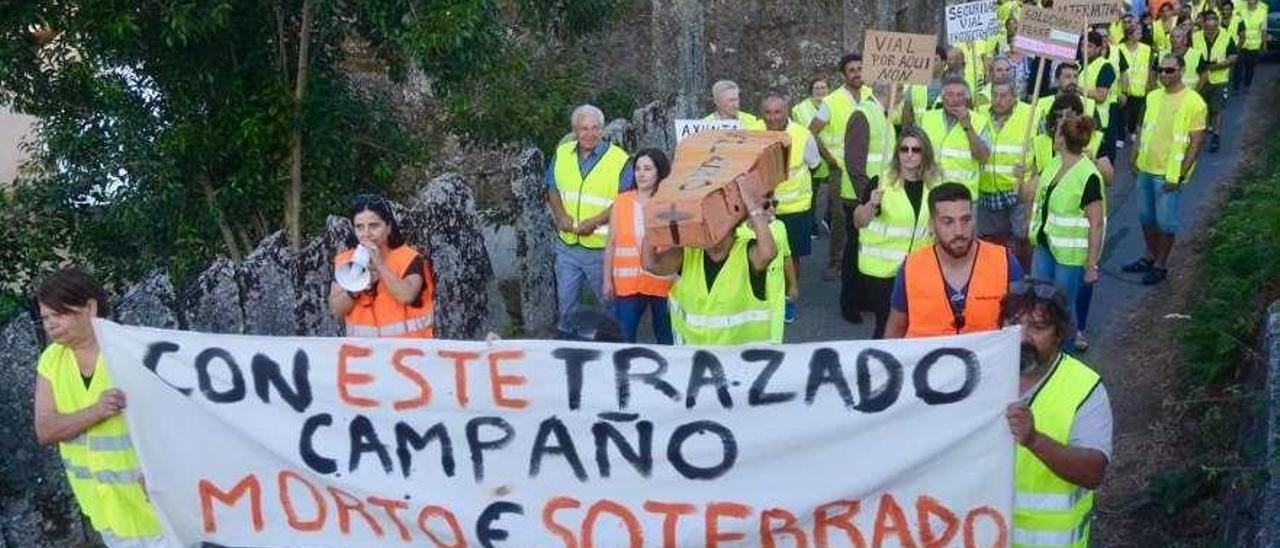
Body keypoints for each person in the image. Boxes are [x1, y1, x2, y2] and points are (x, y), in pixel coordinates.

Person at [33, 268, 166, 548]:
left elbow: (171, 422)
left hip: (154, 504)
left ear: (90, 308)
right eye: (45, 317)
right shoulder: (51, 360)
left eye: (59, 314)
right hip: (104, 507)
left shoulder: (132, 352)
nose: (51, 325)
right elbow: (45, 430)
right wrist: (96, 411)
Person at [1003, 279, 1112, 548]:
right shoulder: (976, 376)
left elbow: (1093, 472)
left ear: (1059, 334)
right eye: (1014, 324)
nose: (1023, 336)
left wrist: (1034, 440)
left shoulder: (1085, 389)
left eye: (1038, 327)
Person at [643, 179, 782, 345]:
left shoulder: (747, 253)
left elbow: (768, 253)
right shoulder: (688, 252)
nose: (707, 227)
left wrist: (751, 206)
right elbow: (651, 263)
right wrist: (657, 216)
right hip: (695, 363)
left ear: (733, 223)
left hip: (739, 364)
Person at [883, 182, 1024, 338]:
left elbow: (1020, 325)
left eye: (965, 220)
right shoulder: (911, 267)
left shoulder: (1005, 263)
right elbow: (896, 327)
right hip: (928, 361)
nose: (959, 231)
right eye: (948, 222)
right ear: (931, 225)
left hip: (986, 360)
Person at [544, 104, 632, 338]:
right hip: (567, 246)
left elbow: (624, 201)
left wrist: (595, 221)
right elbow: (552, 188)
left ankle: (612, 346)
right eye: (583, 129)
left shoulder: (619, 160)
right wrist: (560, 215)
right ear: (575, 130)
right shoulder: (562, 153)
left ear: (602, 130)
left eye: (595, 128)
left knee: (608, 303)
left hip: (601, 249)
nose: (589, 134)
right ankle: (571, 347)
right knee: (566, 304)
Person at [1024, 115, 1107, 351]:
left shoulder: (1088, 175)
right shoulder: (1053, 164)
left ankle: (1064, 355)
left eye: (1057, 131)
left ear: (1062, 138)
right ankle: (1041, 349)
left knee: (1063, 308)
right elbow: (1035, 196)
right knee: (1040, 302)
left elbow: (1096, 222)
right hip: (1044, 245)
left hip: (1069, 256)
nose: (1053, 136)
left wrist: (1091, 265)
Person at [1124, 54, 1207, 285]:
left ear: (1181, 70)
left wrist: (1180, 174)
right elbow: (1143, 127)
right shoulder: (1152, 97)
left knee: (1165, 222)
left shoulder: (1194, 102)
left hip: (1168, 174)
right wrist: (1135, 152)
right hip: (1145, 169)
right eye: (1160, 70)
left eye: (1169, 70)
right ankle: (1149, 255)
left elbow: (1196, 142)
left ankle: (1161, 264)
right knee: (1146, 217)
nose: (1163, 74)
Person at [852, 127, 940, 338]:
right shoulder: (882, 183)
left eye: (916, 150)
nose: (909, 154)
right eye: (904, 149)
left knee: (911, 323)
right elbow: (859, 221)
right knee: (887, 324)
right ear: (897, 153)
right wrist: (872, 205)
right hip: (882, 271)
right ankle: (877, 367)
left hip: (918, 269)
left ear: (924, 153)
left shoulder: (934, 185)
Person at [329, 194, 436, 338]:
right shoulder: (344, 260)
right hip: (364, 354)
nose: (366, 234)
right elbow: (336, 309)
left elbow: (407, 295)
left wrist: (379, 265)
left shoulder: (409, 258)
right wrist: (355, 287)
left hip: (407, 353)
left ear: (389, 227)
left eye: (374, 226)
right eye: (360, 227)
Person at [840, 80, 900, 324]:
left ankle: (863, 300)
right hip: (860, 197)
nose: (902, 96)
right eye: (900, 91)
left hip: (875, 195)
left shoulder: (881, 114)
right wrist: (868, 198)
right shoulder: (863, 115)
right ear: (888, 92)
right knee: (854, 252)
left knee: (866, 248)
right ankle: (849, 304)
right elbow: (854, 163)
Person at [810, 53, 873, 283]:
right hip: (841, 170)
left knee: (869, 215)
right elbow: (812, 131)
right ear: (844, 75)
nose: (857, 73)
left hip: (867, 169)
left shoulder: (871, 95)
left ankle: (864, 260)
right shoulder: (832, 101)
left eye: (860, 68)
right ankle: (835, 262)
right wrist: (829, 159)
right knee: (839, 218)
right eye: (852, 70)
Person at [603, 149, 675, 344]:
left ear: (659, 172)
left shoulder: (669, 202)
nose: (641, 174)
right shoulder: (621, 201)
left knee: (667, 336)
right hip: (628, 283)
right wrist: (607, 280)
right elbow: (611, 243)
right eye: (638, 169)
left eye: (647, 169)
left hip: (662, 280)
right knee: (624, 336)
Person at [763, 93, 821, 322]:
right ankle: (767, 298)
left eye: (777, 112)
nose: (773, 117)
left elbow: (815, 165)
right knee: (765, 255)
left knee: (792, 258)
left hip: (796, 208)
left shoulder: (802, 134)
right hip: (766, 208)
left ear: (786, 112)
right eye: (768, 112)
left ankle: (788, 300)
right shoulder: (756, 132)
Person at [979, 77, 1034, 250]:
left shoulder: (1030, 114)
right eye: (994, 95)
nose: (998, 100)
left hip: (1017, 191)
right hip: (986, 191)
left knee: (1020, 241)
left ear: (1014, 97)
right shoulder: (979, 113)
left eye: (1003, 96)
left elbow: (1042, 153)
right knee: (989, 244)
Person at [920, 76, 992, 198]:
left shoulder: (980, 121)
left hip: (964, 195)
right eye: (950, 95)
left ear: (967, 98)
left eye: (960, 95)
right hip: (931, 191)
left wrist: (967, 125)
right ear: (942, 98)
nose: (955, 100)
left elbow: (983, 158)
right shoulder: (927, 118)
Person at [1192, 10, 1238, 152]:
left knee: (1217, 109)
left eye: (1213, 27)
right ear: (1203, 25)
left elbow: (1233, 58)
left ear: (1218, 24)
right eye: (1208, 28)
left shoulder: (1226, 37)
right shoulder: (1194, 37)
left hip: (1219, 80)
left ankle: (1216, 137)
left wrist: (1215, 66)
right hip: (1200, 79)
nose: (1210, 30)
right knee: (1201, 109)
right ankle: (1201, 136)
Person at [792, 77, 833, 233]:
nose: (820, 91)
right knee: (812, 194)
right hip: (813, 156)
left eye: (823, 87)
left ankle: (828, 219)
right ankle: (811, 225)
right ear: (811, 91)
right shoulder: (799, 109)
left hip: (833, 155)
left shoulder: (833, 105)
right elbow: (805, 134)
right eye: (817, 88)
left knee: (835, 193)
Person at [1080, 31, 1122, 160]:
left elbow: (1100, 95)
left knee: (1099, 161)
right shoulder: (1078, 65)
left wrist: (1078, 89)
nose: (1084, 49)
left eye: (1090, 46)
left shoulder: (1105, 67)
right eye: (1082, 45)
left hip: (1099, 124)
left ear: (1099, 48)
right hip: (1081, 120)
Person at [1118, 16, 1155, 144]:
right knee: (1121, 113)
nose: (1140, 34)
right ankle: (1121, 135)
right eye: (1137, 33)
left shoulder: (1147, 49)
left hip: (1139, 88)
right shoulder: (1119, 48)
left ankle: (1132, 130)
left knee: (1135, 113)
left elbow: (1150, 67)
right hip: (1123, 88)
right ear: (1129, 35)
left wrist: (1150, 84)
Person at [1236, 0, 1268, 94]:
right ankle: (1236, 87)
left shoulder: (1262, 12)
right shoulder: (1241, 10)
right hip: (1241, 44)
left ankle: (1247, 85)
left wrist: (1264, 44)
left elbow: (1263, 30)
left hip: (1254, 45)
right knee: (1238, 66)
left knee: (1250, 67)